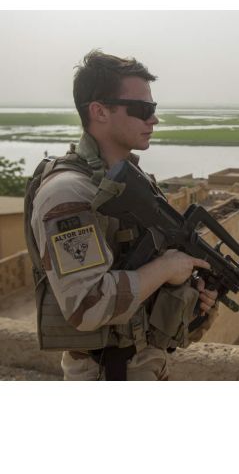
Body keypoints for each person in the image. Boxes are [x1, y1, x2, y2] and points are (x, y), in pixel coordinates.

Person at [24, 50, 219, 380]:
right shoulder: (69, 193)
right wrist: (165, 268)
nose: (153, 119)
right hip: (107, 372)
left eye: (153, 109)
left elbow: (140, 284)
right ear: (99, 111)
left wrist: (189, 293)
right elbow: (86, 305)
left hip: (142, 365)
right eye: (142, 109)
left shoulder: (130, 185)